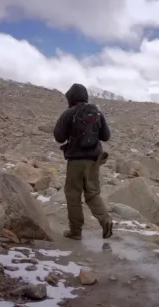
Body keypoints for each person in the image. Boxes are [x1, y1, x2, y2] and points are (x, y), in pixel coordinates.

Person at [53, 83, 113, 240]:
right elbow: (106, 136)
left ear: (71, 97)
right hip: (94, 161)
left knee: (73, 195)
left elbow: (58, 136)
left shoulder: (69, 113)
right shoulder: (97, 113)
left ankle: (76, 231)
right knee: (93, 194)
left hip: (75, 162)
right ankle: (105, 220)